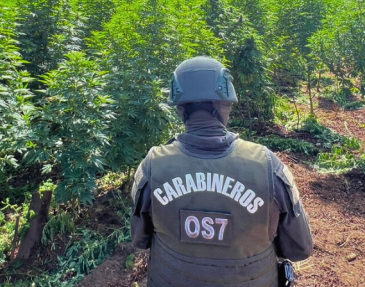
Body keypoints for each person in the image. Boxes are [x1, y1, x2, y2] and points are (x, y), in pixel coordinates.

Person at [131, 56, 313, 287]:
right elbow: (299, 248)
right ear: (224, 105)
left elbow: (140, 239)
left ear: (180, 109)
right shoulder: (267, 165)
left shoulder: (152, 165)